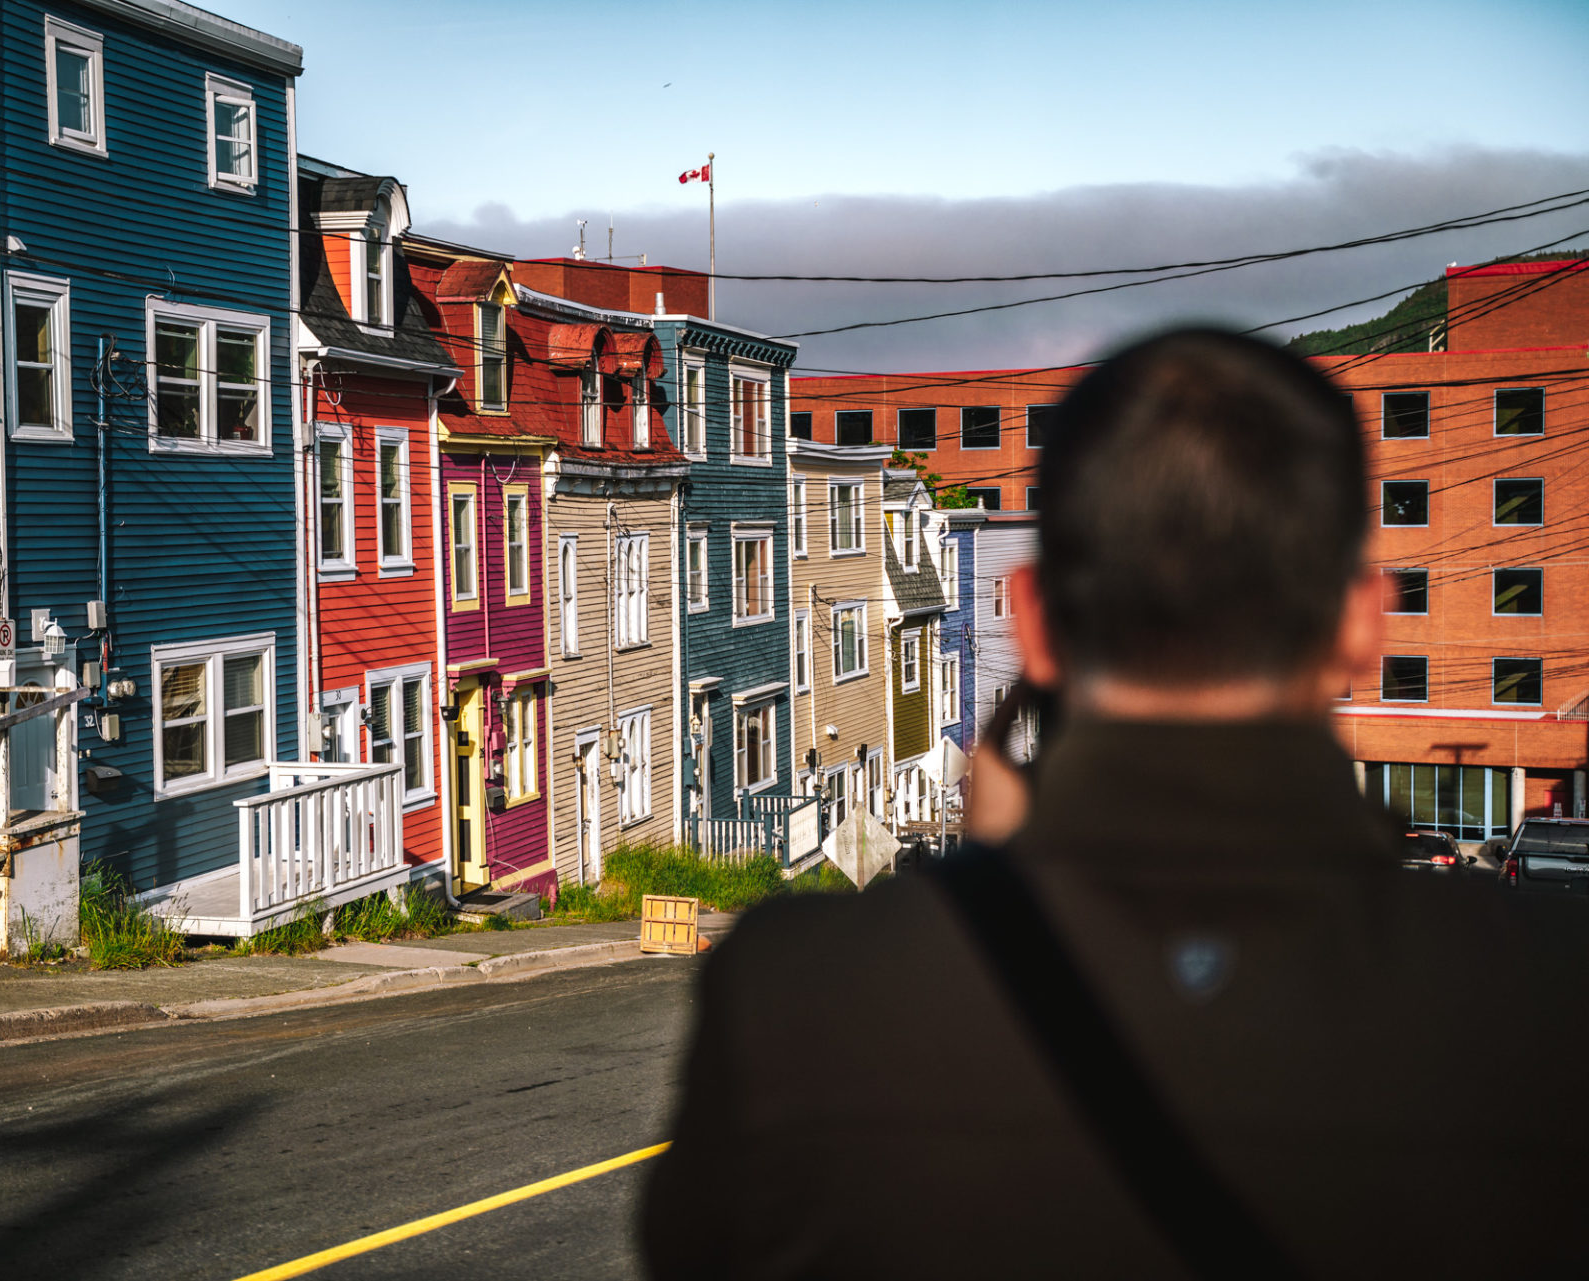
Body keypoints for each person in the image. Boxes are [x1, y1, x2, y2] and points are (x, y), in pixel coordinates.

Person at [639, 329, 1589, 1279]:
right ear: (1362, 621)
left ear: (1038, 620)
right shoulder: (1550, 993)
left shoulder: (795, 994)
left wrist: (992, 871)